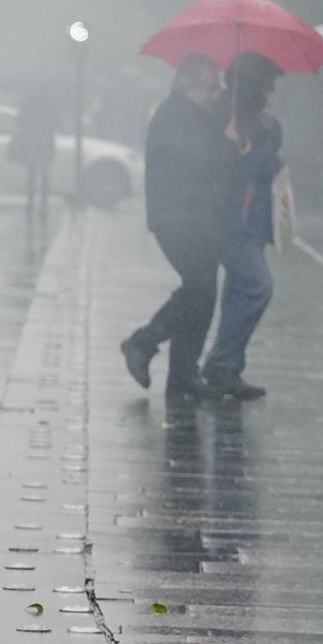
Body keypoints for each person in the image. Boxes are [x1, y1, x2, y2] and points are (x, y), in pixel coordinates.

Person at [119, 53, 234, 400]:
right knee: (199, 289)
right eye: (209, 84)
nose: (215, 91)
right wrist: (226, 140)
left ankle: (182, 374)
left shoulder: (202, 117)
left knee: (201, 292)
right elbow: (198, 161)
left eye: (218, 84)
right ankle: (143, 342)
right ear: (187, 84)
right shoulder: (173, 116)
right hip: (178, 217)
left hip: (201, 216)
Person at [202, 52, 285, 400]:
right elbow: (245, 165)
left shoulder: (257, 121)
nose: (270, 91)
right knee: (256, 287)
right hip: (232, 219)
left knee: (239, 292)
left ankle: (229, 366)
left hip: (251, 220)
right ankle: (221, 361)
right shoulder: (225, 119)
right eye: (265, 84)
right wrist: (265, 153)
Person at [8, 88, 58, 223]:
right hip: (45, 143)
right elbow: (57, 123)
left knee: (32, 173)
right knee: (44, 174)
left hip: (32, 142)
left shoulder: (27, 104)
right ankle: (43, 205)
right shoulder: (49, 104)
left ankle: (30, 204)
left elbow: (19, 122)